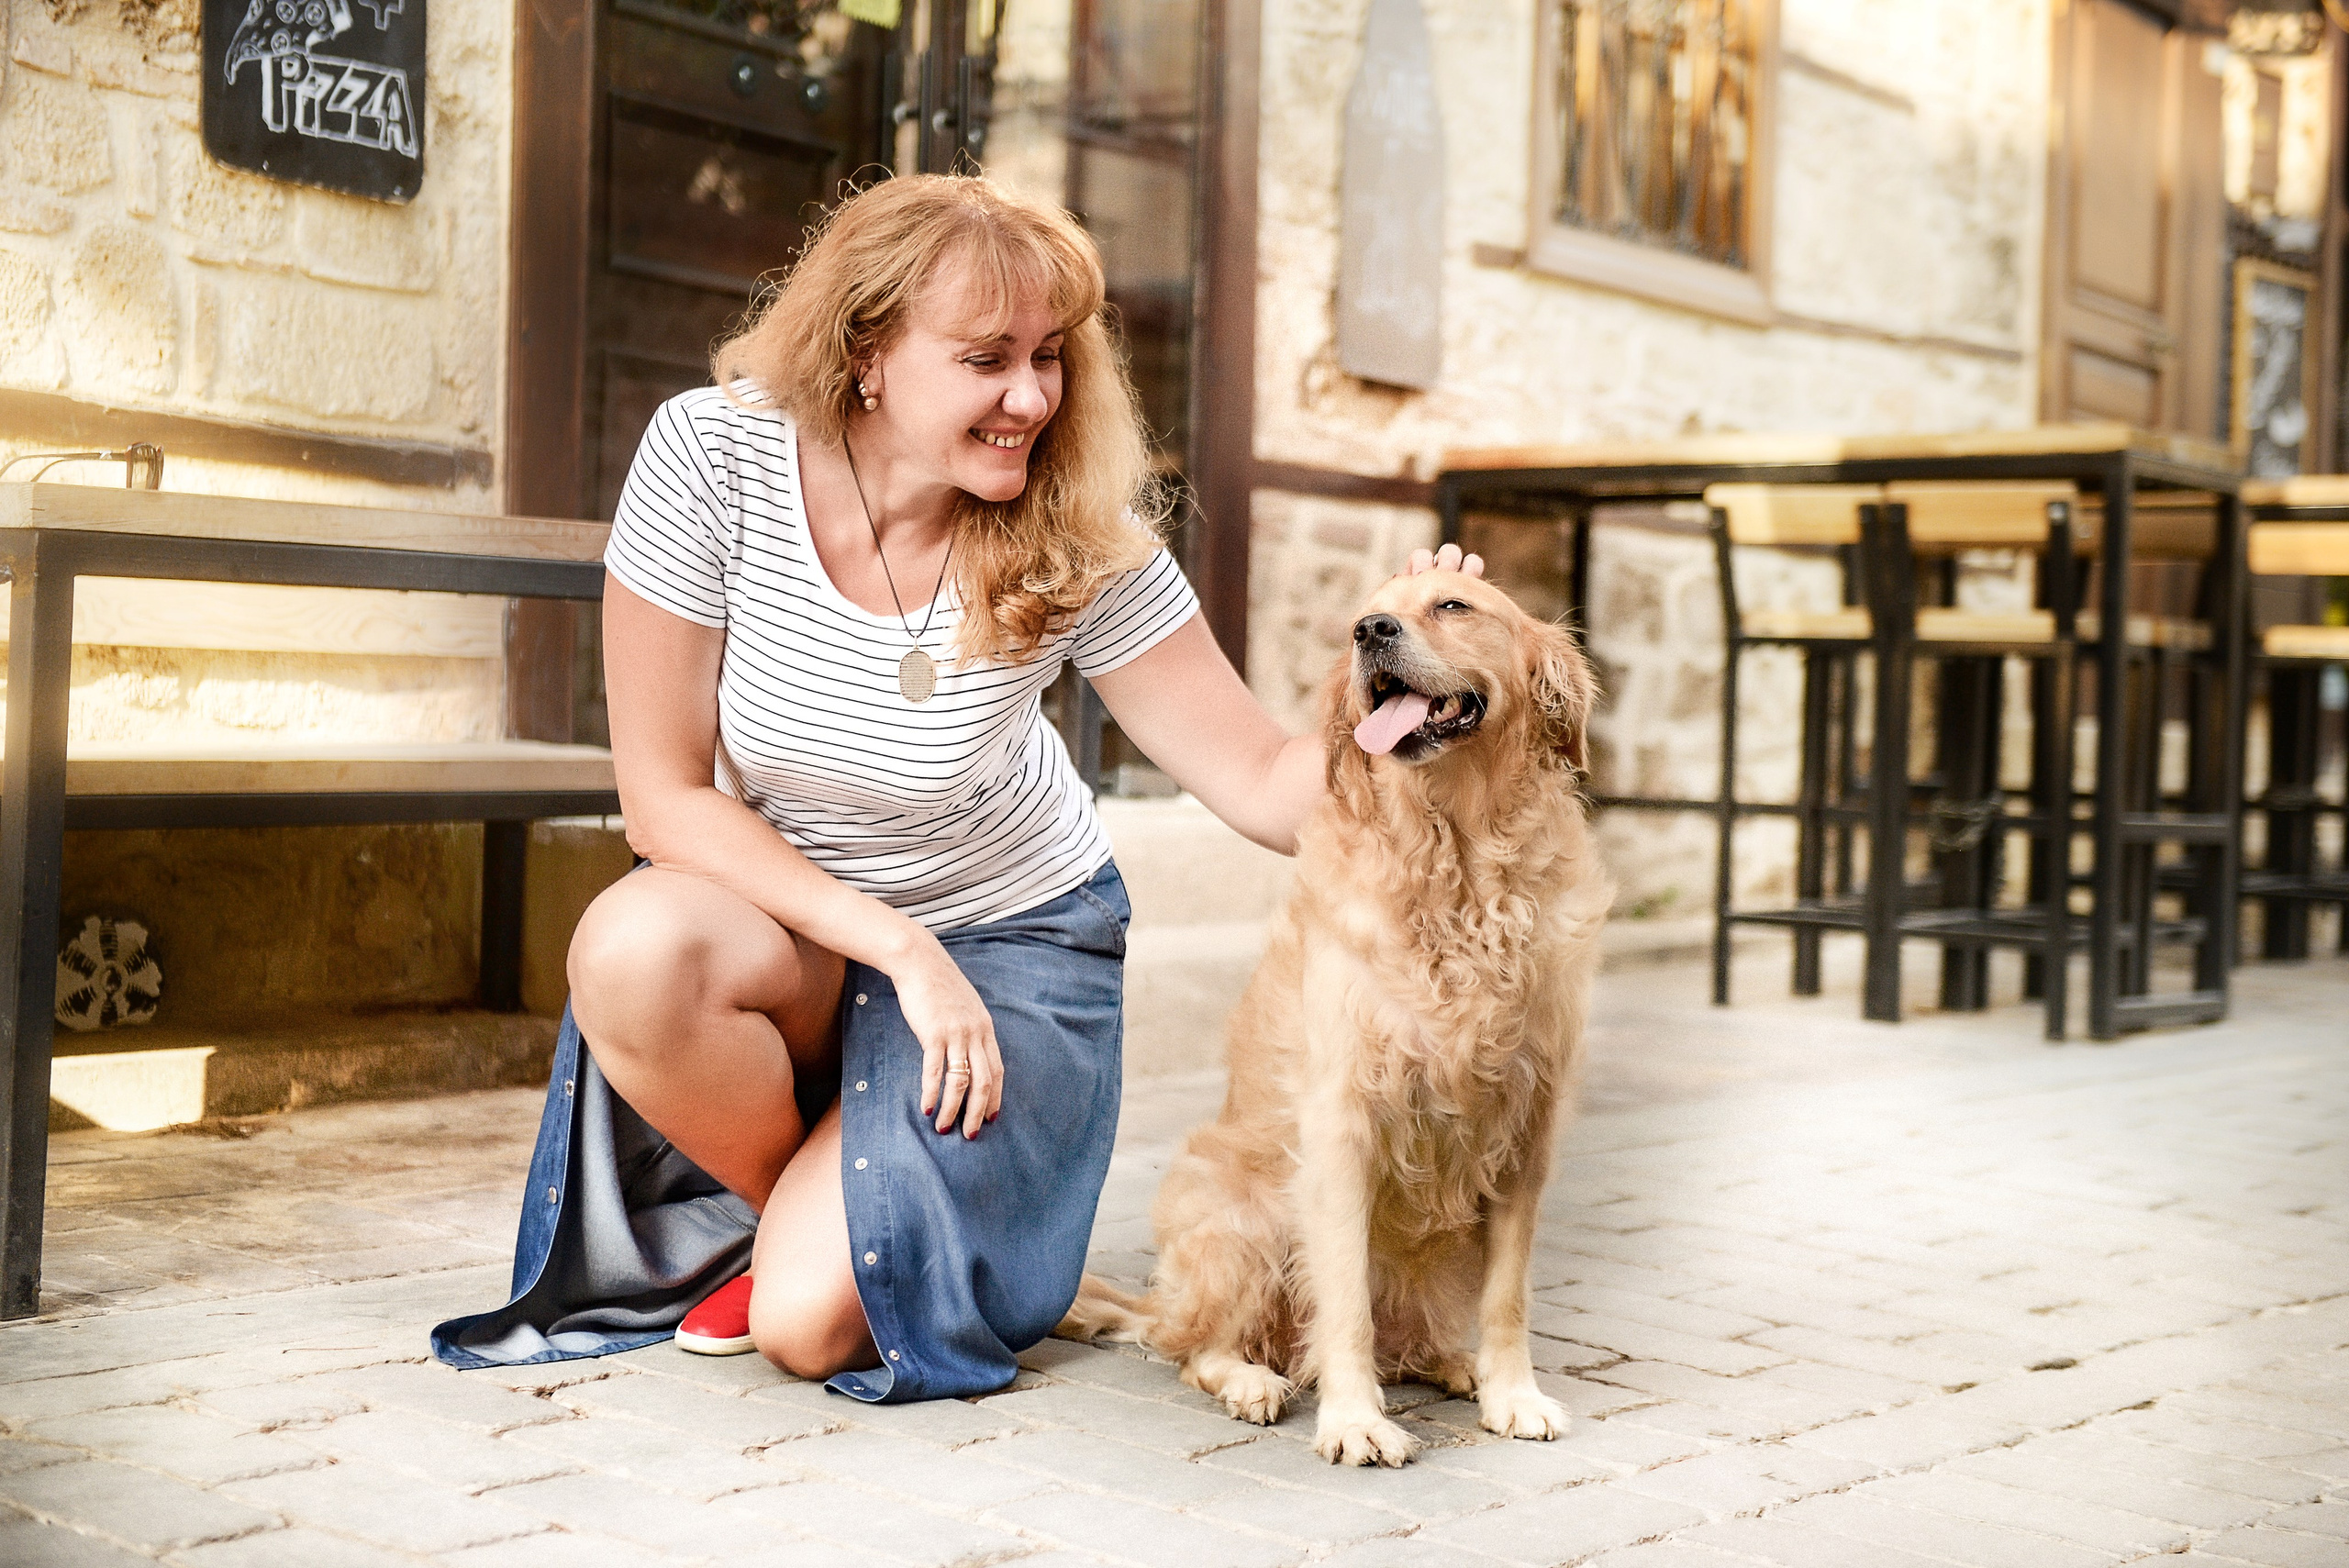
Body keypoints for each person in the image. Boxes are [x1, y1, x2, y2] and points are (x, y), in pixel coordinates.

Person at [430, 172, 1482, 1401]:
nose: (1031, 398)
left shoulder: (1074, 529)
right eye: (987, 358)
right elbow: (664, 804)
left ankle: (818, 1244)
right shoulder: (715, 459)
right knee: (632, 946)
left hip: (1010, 945)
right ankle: (795, 1212)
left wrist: (1401, 705)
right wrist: (899, 951)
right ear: (867, 351)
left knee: (811, 1324)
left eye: (1050, 356)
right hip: (809, 934)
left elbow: (1257, 777)